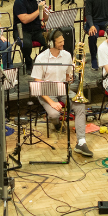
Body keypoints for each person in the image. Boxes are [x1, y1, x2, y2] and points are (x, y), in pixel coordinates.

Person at [31, 29, 92, 157]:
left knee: (80, 106)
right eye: (60, 42)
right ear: (51, 44)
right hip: (46, 91)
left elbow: (68, 75)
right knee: (54, 114)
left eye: (63, 41)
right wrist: (52, 102)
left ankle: (81, 142)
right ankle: (57, 125)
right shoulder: (41, 58)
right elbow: (38, 84)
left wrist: (72, 78)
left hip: (63, 90)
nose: (63, 44)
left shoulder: (67, 55)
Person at [13, 0, 48, 74]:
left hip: (36, 29)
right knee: (26, 44)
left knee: (51, 42)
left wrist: (45, 11)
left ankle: (37, 60)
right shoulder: (19, 2)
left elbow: (45, 19)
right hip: (22, 30)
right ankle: (28, 62)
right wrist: (38, 10)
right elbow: (24, 19)